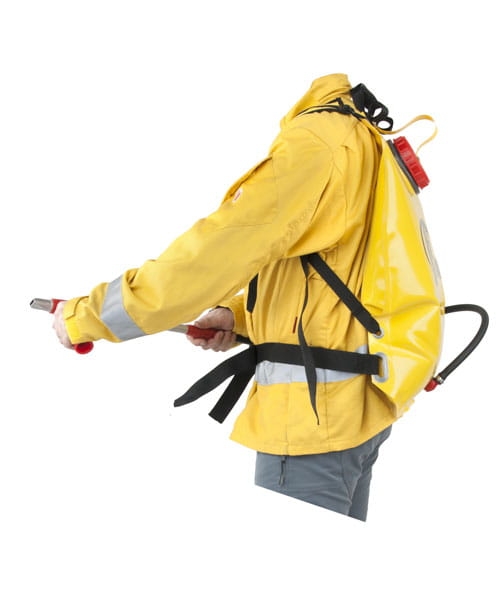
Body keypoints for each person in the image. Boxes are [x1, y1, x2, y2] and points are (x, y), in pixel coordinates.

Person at [52, 73, 395, 521]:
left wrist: (88, 317)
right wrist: (238, 315)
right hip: (356, 409)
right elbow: (327, 269)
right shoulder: (360, 136)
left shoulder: (317, 143)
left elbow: (215, 253)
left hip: (309, 423)